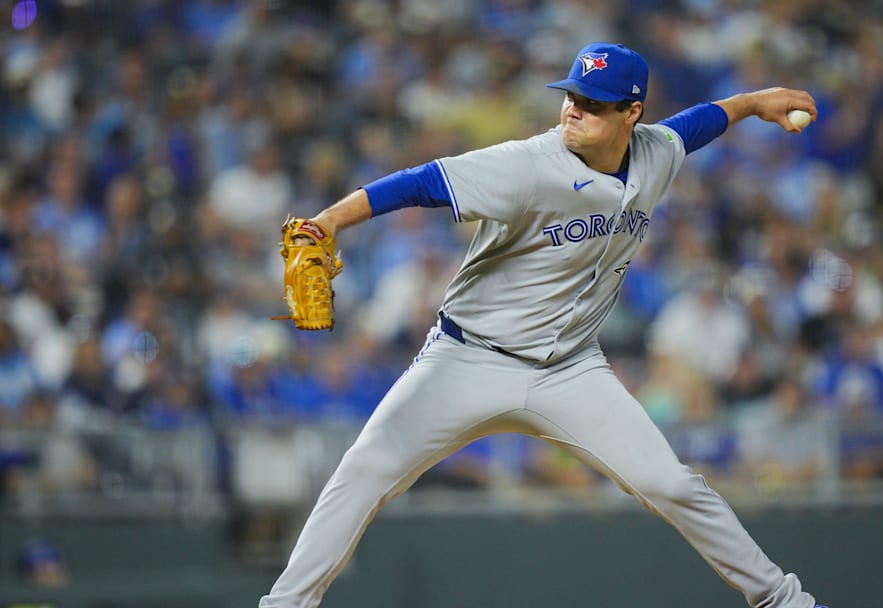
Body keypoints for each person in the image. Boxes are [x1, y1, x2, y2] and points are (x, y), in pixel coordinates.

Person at [261, 43, 825, 608]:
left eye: (593, 103)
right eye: (571, 97)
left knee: (673, 485)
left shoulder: (656, 152)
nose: (573, 110)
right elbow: (418, 182)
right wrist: (329, 220)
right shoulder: (526, 165)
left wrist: (753, 103)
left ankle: (785, 602)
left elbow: (695, 125)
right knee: (364, 469)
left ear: (632, 115)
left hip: (571, 370)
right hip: (467, 359)